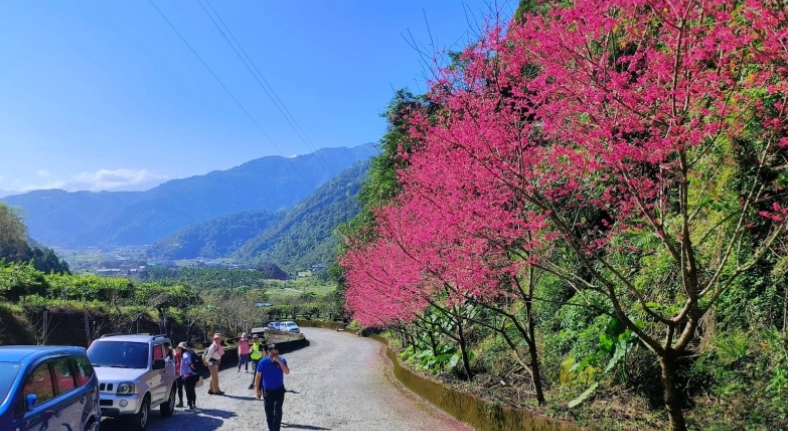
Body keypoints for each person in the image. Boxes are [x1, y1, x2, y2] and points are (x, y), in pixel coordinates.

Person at [255, 343, 290, 431]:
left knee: (278, 411)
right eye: (273, 354)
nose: (275, 356)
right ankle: (271, 429)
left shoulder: (282, 360)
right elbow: (258, 376)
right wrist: (257, 390)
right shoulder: (263, 362)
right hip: (267, 391)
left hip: (279, 390)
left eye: (276, 354)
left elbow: (287, 372)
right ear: (268, 352)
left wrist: (279, 362)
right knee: (269, 413)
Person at [178, 342, 200, 411]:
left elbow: (187, 360)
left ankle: (189, 405)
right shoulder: (191, 352)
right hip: (193, 374)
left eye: (180, 348)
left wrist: (191, 365)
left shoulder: (184, 354)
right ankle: (194, 404)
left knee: (188, 391)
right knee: (192, 390)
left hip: (187, 375)